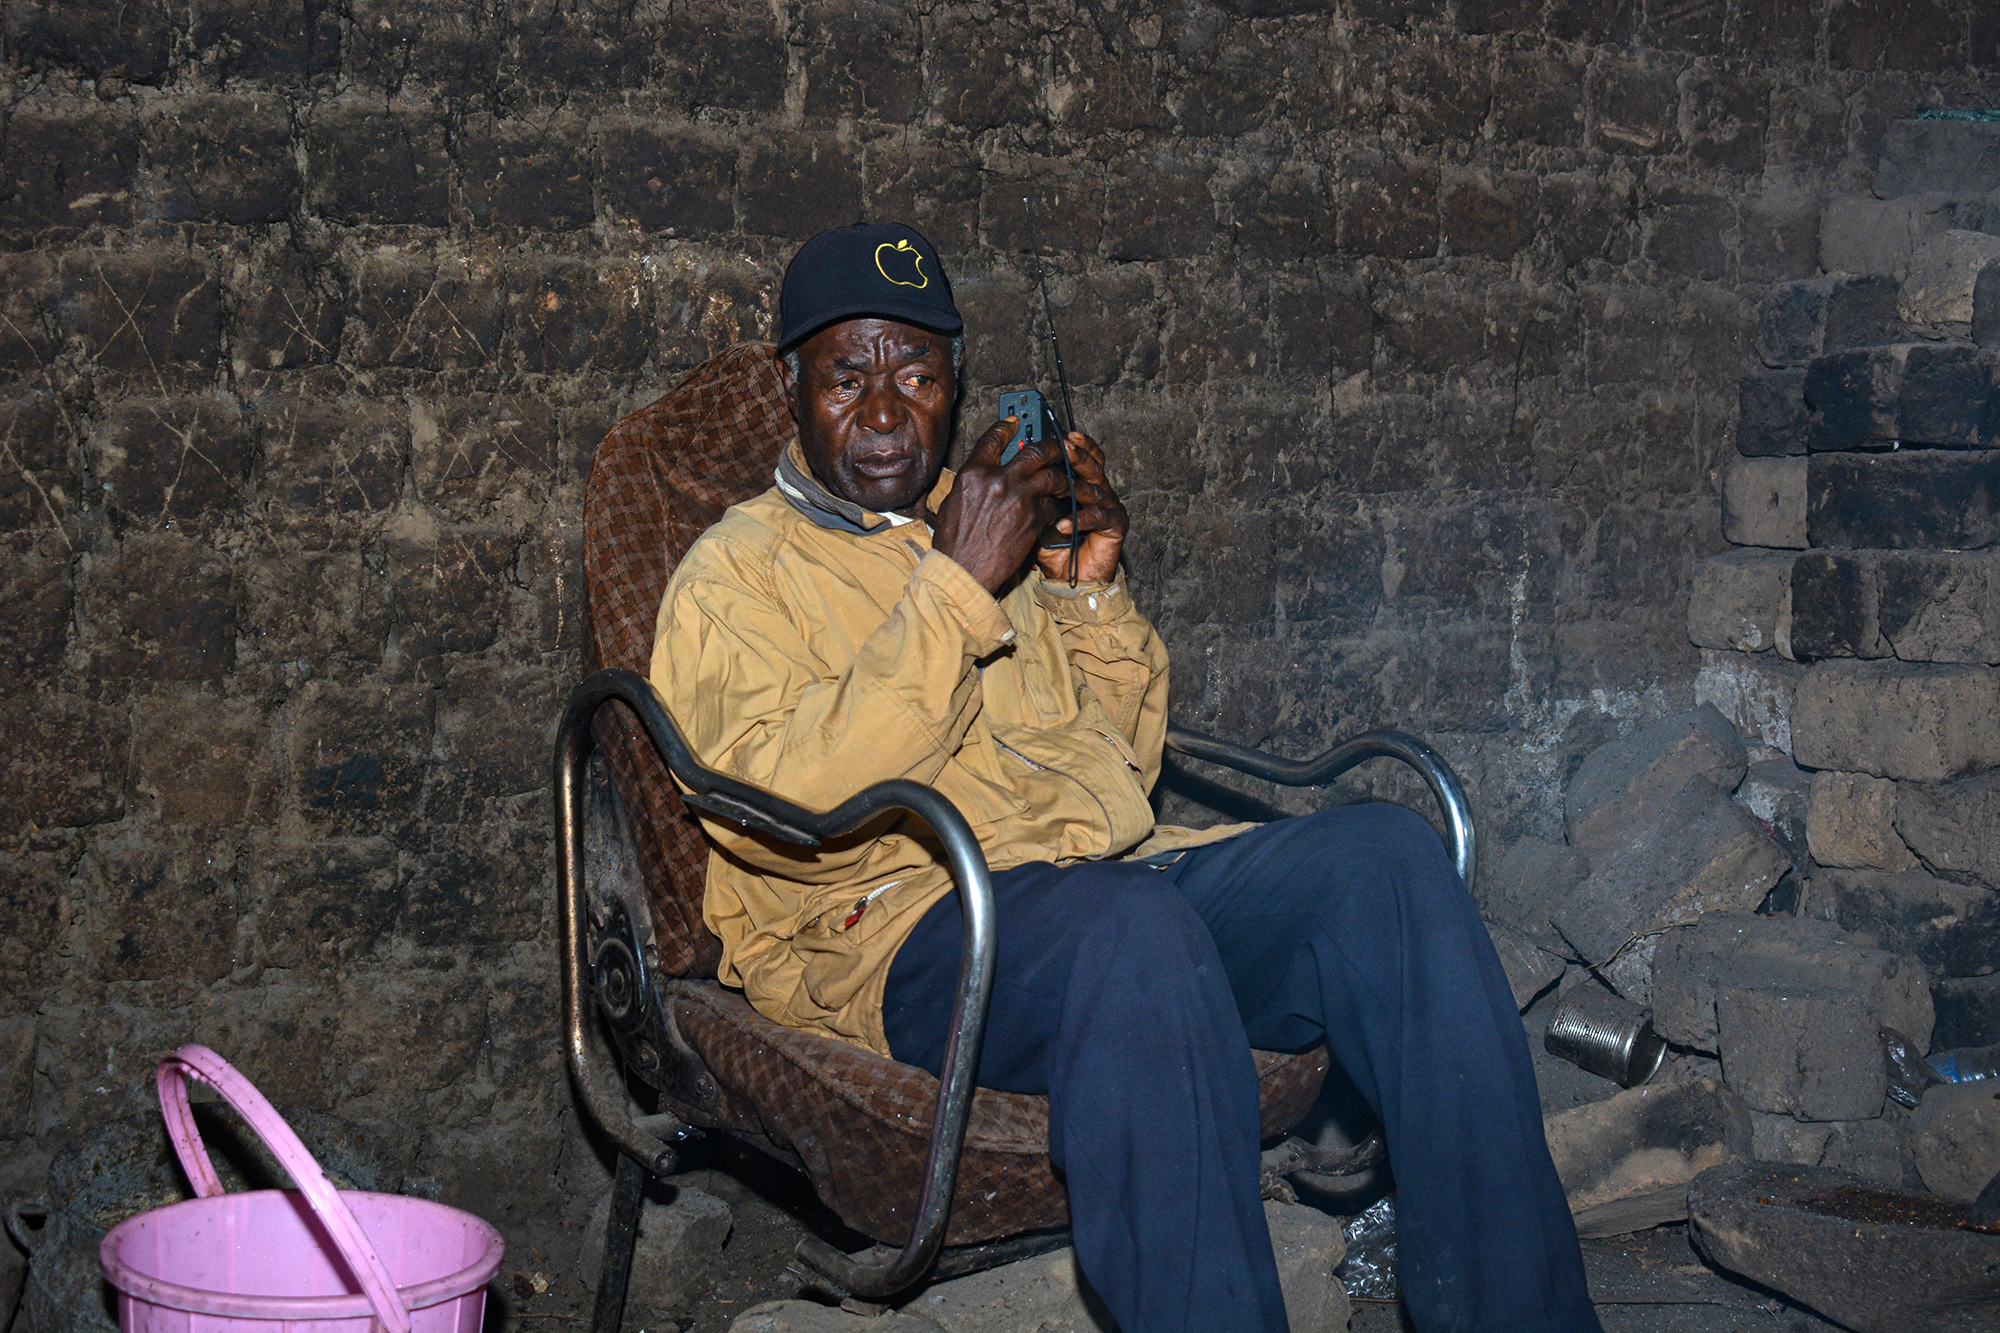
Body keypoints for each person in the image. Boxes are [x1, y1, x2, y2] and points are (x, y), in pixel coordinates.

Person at [650, 221, 1600, 1333]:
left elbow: (1111, 780)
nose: (881, 411)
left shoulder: (985, 520)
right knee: (1120, 932)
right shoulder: (736, 576)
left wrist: (1084, 594)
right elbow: (788, 805)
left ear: (952, 386)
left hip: (1089, 894)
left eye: (915, 374)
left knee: (1381, 862)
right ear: (791, 387)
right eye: (845, 375)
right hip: (890, 929)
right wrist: (959, 586)